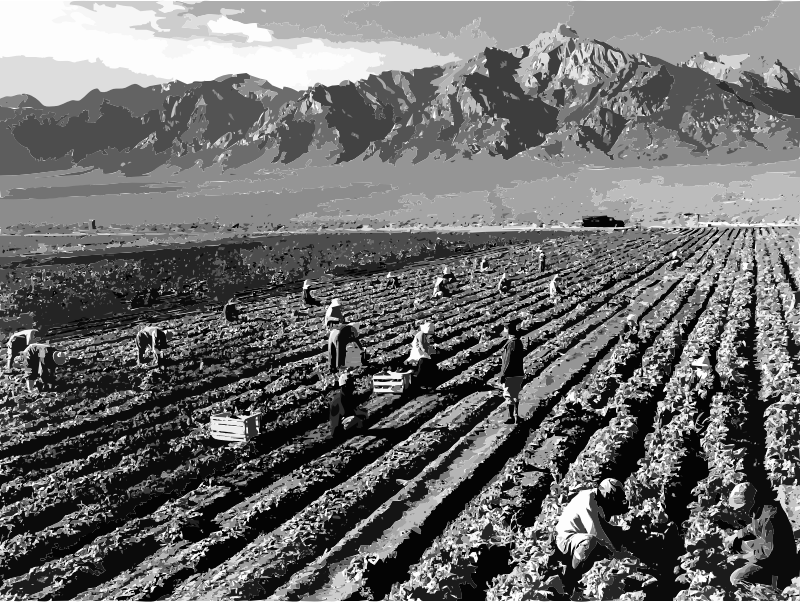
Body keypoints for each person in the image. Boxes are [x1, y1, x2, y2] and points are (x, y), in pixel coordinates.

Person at [555, 478, 631, 591]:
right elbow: (596, 532)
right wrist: (616, 556)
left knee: (617, 534)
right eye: (612, 499)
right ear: (606, 494)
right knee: (590, 541)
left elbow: (604, 527)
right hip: (567, 539)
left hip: (581, 536)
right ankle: (571, 579)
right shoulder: (588, 500)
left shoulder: (599, 501)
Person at [724, 482, 798, 590]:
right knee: (740, 545)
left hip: (780, 564)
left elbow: (769, 553)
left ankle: (770, 593)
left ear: (750, 501)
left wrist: (743, 557)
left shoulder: (769, 516)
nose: (738, 510)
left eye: (741, 507)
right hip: (770, 550)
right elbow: (754, 528)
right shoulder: (760, 509)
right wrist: (736, 536)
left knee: (736, 578)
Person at [499, 318, 525, 424]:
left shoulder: (511, 344)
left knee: (509, 395)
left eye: (505, 329)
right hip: (518, 373)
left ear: (508, 330)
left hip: (511, 374)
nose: (504, 331)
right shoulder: (517, 341)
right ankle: (516, 416)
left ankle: (511, 417)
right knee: (515, 395)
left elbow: (508, 361)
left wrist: (503, 374)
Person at [328, 372, 367, 440]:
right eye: (350, 384)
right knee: (355, 419)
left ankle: (356, 431)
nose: (353, 386)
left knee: (363, 413)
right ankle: (351, 435)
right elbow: (341, 417)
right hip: (339, 429)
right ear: (345, 386)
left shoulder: (347, 396)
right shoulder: (338, 400)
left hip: (344, 422)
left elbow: (358, 399)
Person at [408, 322, 437, 391]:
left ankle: (426, 384)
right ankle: (419, 383)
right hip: (419, 355)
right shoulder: (421, 334)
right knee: (424, 367)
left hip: (422, 355)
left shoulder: (424, 335)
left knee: (427, 367)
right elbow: (422, 347)